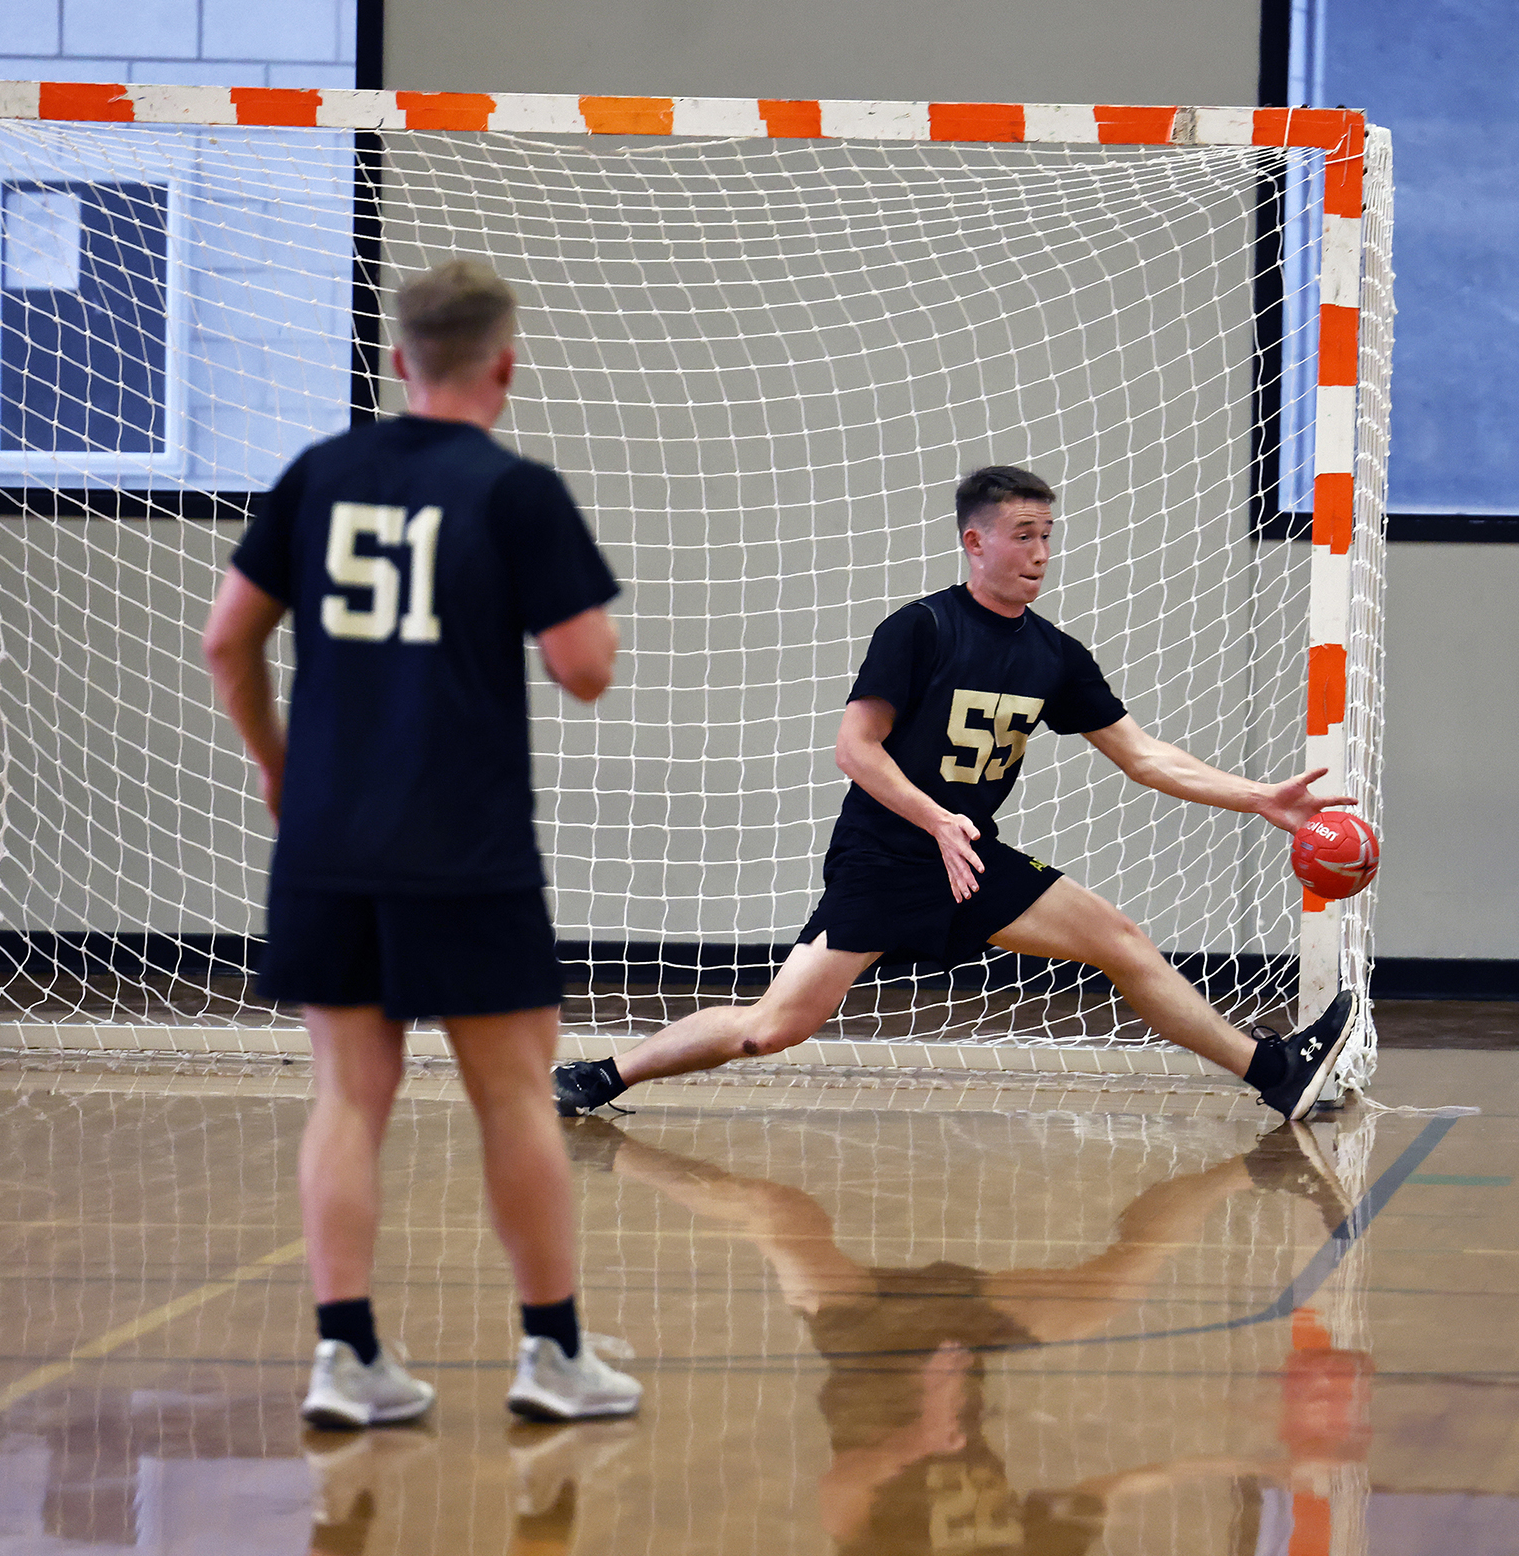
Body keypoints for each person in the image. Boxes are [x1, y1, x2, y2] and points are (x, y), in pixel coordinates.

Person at [555, 465, 1364, 1122]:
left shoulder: (1055, 655)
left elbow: (1142, 755)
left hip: (967, 857)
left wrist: (1258, 796)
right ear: (974, 542)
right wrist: (937, 816)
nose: (1041, 552)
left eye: (1048, 535)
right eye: (1023, 535)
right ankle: (601, 1075)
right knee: (772, 1029)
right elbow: (855, 748)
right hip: (886, 857)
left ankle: (1273, 1070)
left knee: (1120, 939)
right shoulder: (920, 629)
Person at [202, 259, 643, 1427]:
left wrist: (276, 762)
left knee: (348, 1093)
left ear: (401, 361)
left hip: (329, 843)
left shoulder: (319, 474)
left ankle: (345, 1356)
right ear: (504, 362)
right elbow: (586, 667)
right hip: (466, 847)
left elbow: (225, 642)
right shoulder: (514, 492)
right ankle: (551, 1352)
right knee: (512, 1096)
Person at [584, 1114, 1352, 1556]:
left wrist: (921, 1431)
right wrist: (1256, 1461)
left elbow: (840, 1493)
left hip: (868, 1345)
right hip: (960, 1346)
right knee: (1114, 1284)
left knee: (781, 1215)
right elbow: (1110, 1490)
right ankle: (1251, 1170)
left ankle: (611, 1151)